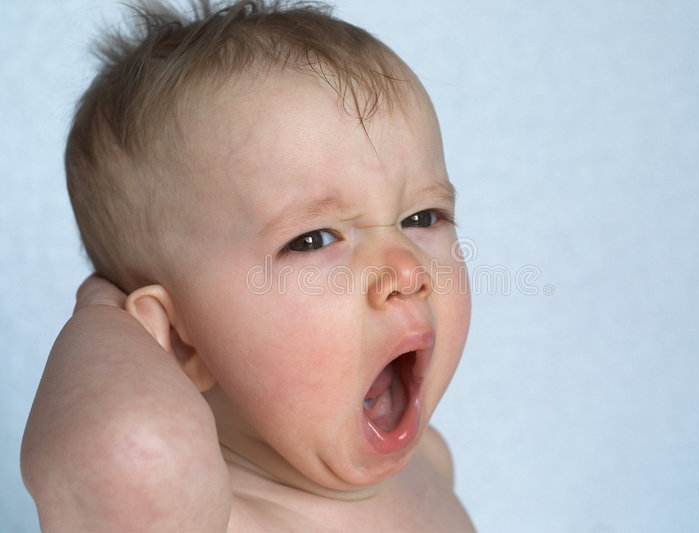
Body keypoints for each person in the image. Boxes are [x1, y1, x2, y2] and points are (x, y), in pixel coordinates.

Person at [20, 1, 474, 531]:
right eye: (313, 239)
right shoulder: (203, 517)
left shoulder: (432, 465)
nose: (407, 269)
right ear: (180, 341)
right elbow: (130, 451)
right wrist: (100, 311)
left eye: (423, 216)